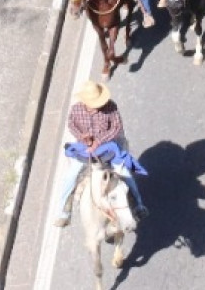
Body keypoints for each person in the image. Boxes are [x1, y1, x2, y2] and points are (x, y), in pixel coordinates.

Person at [52, 80, 147, 227]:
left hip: (109, 147)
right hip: (85, 149)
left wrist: (98, 142)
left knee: (124, 172)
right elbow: (71, 125)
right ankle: (64, 211)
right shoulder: (76, 110)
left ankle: (138, 204)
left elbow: (116, 127)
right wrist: (83, 138)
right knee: (71, 175)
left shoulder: (111, 107)